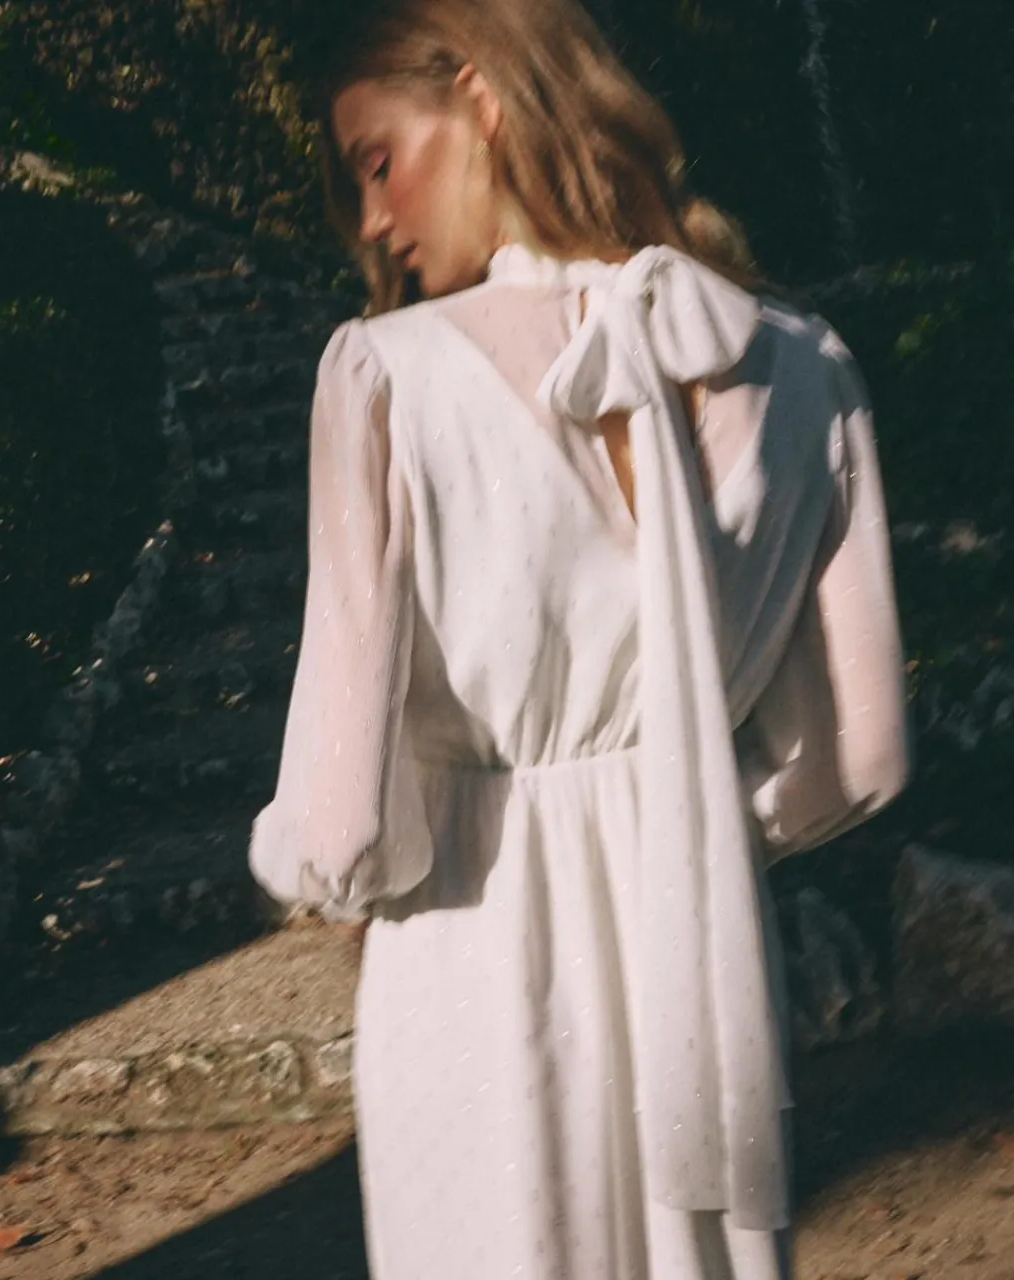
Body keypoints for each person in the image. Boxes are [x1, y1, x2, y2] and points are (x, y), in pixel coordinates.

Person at [249, 1, 910, 1275]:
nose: (372, 221)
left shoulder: (382, 379)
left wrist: (309, 864)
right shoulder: (804, 367)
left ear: (481, 96)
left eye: (378, 162)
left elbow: (341, 825)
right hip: (702, 964)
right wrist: (689, 822)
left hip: (471, 958)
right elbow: (862, 755)